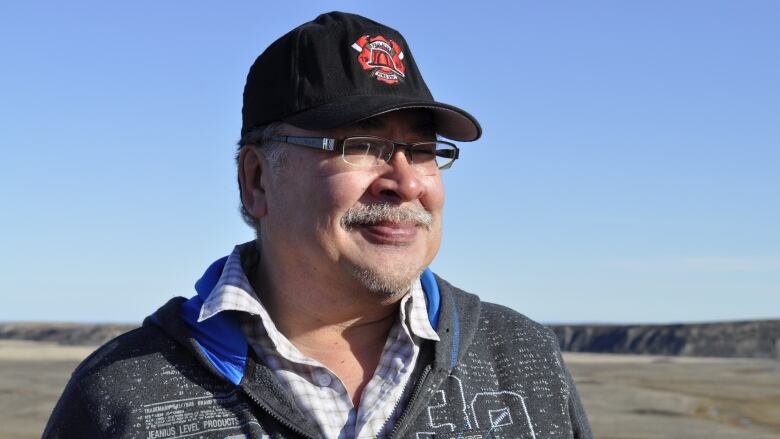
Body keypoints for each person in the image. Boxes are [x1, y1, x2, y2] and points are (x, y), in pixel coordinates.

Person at [45, 11, 592, 439]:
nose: (405, 182)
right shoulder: (124, 395)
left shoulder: (522, 359)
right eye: (359, 146)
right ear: (256, 180)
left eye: (422, 150)